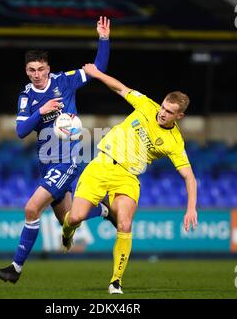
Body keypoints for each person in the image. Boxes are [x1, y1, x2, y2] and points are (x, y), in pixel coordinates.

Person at [0, 16, 116, 284]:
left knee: (31, 209)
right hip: (47, 161)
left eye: (41, 69)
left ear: (48, 68)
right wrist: (42, 110)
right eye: (31, 70)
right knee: (70, 221)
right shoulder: (26, 96)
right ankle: (106, 210)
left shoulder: (65, 81)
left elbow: (98, 69)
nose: (37, 74)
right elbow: (21, 131)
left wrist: (103, 39)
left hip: (68, 158)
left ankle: (15, 268)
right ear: (26, 71)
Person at [61, 63, 199, 294]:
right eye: (163, 106)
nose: (162, 112)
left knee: (124, 224)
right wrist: (96, 73)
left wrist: (191, 208)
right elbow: (120, 88)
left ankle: (115, 281)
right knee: (75, 217)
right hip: (101, 165)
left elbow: (189, 177)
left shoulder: (175, 142)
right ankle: (67, 232)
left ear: (180, 115)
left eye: (169, 111)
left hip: (127, 177)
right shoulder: (146, 105)